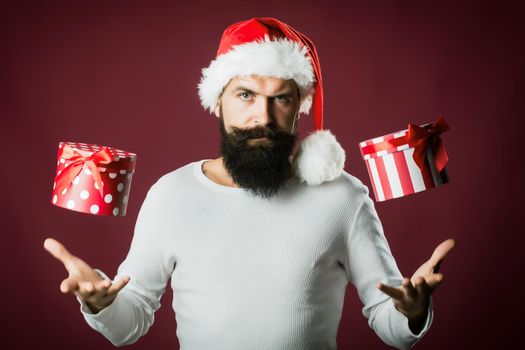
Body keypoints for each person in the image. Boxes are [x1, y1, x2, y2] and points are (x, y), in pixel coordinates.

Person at [44, 17, 455, 350]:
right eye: (245, 95)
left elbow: (389, 318)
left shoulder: (343, 198)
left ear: (300, 108)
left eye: (281, 98)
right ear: (217, 102)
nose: (262, 115)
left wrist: (413, 312)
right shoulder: (170, 196)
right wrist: (100, 304)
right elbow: (128, 322)